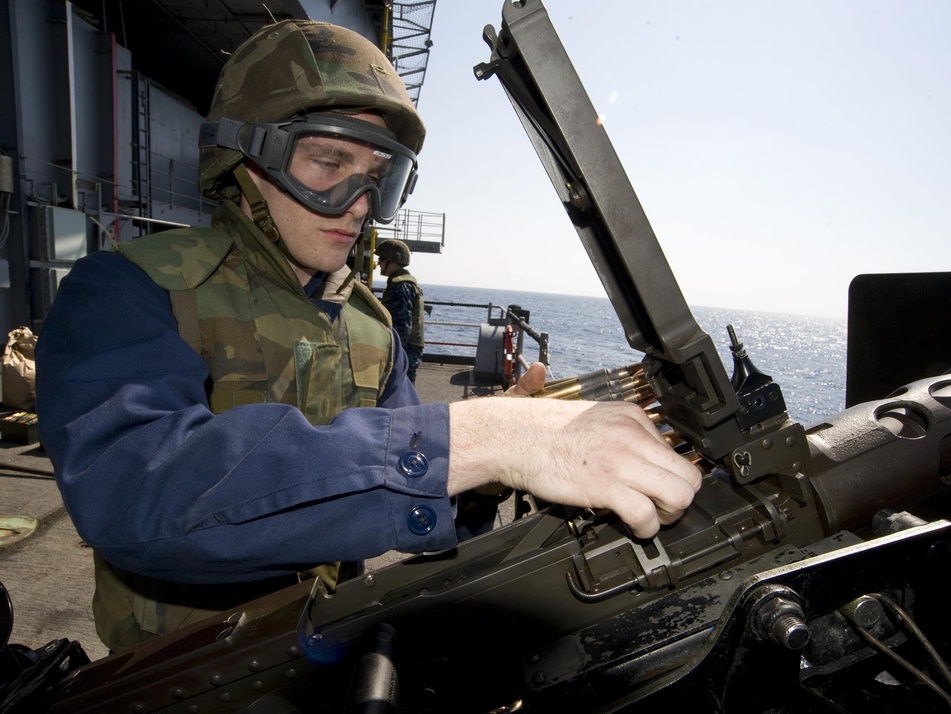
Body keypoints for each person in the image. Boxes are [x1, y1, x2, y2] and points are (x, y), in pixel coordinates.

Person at [34, 19, 701, 652]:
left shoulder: (370, 325)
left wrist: (499, 464)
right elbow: (135, 490)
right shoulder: (128, 290)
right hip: (180, 669)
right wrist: (487, 436)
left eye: (378, 181)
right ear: (247, 159)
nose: (358, 204)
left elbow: (423, 484)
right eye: (328, 163)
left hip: (322, 647)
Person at [375, 239, 424, 382]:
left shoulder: (400, 285)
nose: (378, 263)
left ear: (392, 260)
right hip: (410, 349)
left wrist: (394, 356)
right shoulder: (407, 282)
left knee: (401, 393)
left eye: (381, 259)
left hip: (404, 350)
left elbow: (402, 326)